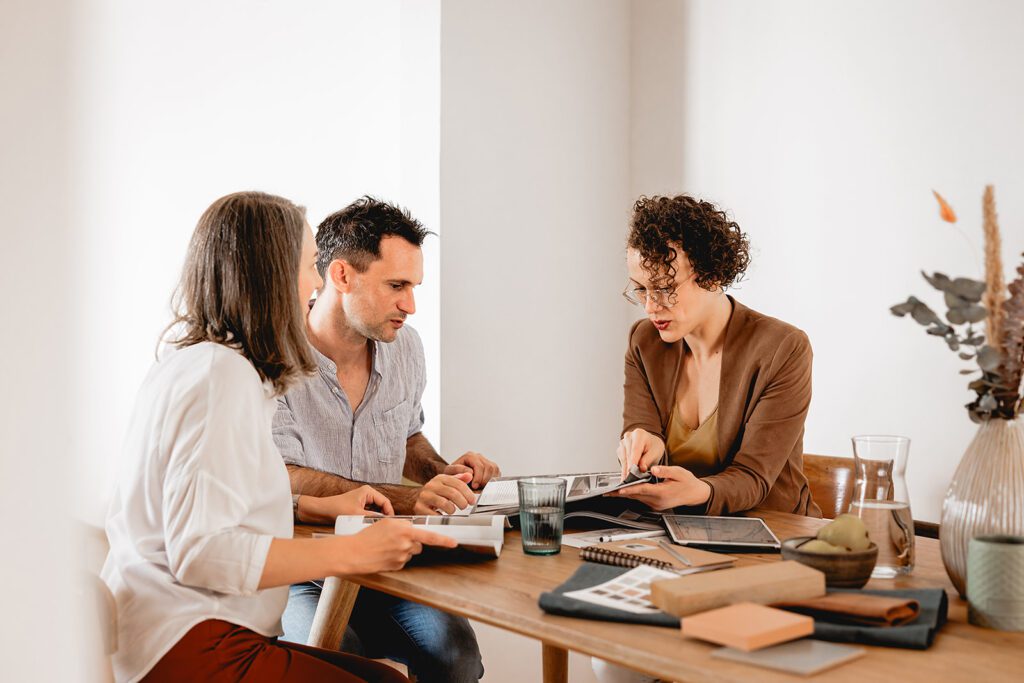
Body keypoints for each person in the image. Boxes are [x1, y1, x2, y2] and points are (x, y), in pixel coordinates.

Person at [101, 191, 457, 683]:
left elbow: (212, 505)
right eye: (310, 265)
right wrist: (353, 551)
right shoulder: (220, 378)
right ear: (269, 276)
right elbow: (202, 552)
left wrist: (314, 507)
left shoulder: (203, 365)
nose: (315, 282)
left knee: (397, 673)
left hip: (191, 627)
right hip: (194, 640)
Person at [595, 194, 822, 683]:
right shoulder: (644, 341)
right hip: (680, 545)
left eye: (667, 289)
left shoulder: (783, 348)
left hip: (772, 546)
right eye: (640, 290)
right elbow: (641, 426)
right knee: (611, 657)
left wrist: (697, 491)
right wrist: (640, 440)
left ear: (713, 277)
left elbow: (755, 479)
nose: (652, 306)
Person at [273, 197, 495, 682]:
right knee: (335, 658)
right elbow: (285, 478)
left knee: (456, 655)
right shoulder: (276, 355)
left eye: (413, 287)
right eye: (397, 286)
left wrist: (442, 473)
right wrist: (413, 498)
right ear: (341, 276)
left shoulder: (406, 347)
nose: (410, 306)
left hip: (390, 563)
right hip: (303, 571)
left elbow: (409, 438)